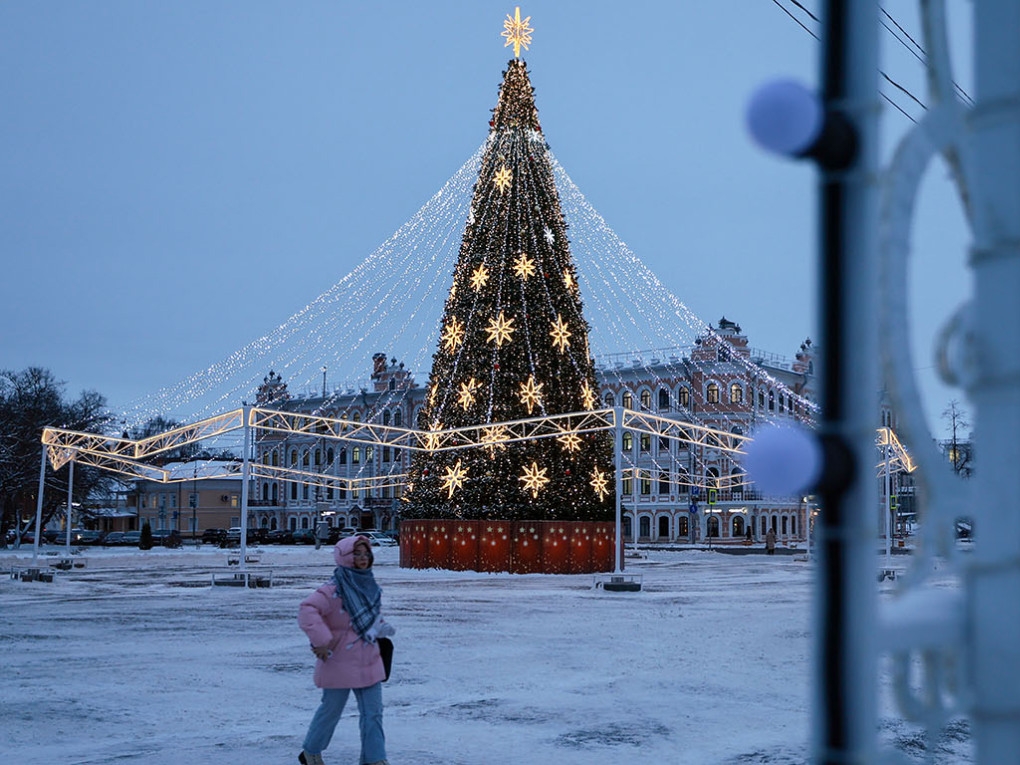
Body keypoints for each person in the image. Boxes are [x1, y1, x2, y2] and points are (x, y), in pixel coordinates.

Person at [298, 535, 395, 765]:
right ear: (345, 558)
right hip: (338, 659)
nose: (363, 559)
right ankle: (311, 751)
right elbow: (307, 610)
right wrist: (321, 640)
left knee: (373, 713)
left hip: (368, 658)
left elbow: (368, 618)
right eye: (357, 554)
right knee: (331, 711)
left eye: (366, 554)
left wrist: (381, 627)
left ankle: (374, 759)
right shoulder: (332, 590)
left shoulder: (368, 584)